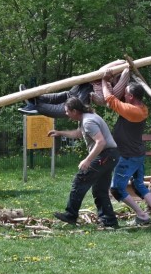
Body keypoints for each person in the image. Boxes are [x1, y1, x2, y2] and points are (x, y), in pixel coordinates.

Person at [101, 72, 151, 224]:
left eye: (126, 93)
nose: (123, 95)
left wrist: (104, 81)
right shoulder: (142, 108)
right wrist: (118, 79)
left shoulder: (132, 111)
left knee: (117, 189)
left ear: (131, 97)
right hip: (137, 153)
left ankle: (142, 215)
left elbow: (109, 99)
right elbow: (120, 100)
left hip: (128, 156)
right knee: (139, 185)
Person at [49, 96, 120, 228]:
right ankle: (109, 221)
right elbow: (78, 134)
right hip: (110, 155)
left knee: (80, 180)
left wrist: (88, 160)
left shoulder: (88, 121)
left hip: (106, 155)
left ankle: (71, 215)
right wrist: (59, 133)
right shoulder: (86, 118)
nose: (66, 114)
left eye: (67, 111)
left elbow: (101, 142)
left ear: (74, 111)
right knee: (100, 190)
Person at [19, 60, 130, 117]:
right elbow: (103, 70)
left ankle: (36, 106)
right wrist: (122, 63)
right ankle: (34, 98)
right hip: (86, 84)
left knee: (68, 108)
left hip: (87, 93)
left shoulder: (116, 95)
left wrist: (126, 69)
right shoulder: (114, 80)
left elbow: (121, 75)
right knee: (66, 95)